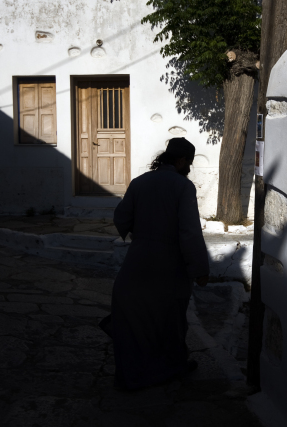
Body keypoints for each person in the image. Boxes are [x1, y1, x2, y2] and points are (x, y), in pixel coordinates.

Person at [110, 137, 209, 390]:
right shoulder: (183, 187)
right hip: (169, 265)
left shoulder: (140, 182)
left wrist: (141, 235)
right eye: (189, 161)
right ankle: (172, 367)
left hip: (137, 260)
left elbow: (121, 218)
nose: (189, 167)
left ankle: (131, 374)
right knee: (170, 320)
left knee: (135, 320)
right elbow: (189, 233)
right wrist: (199, 269)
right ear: (179, 160)